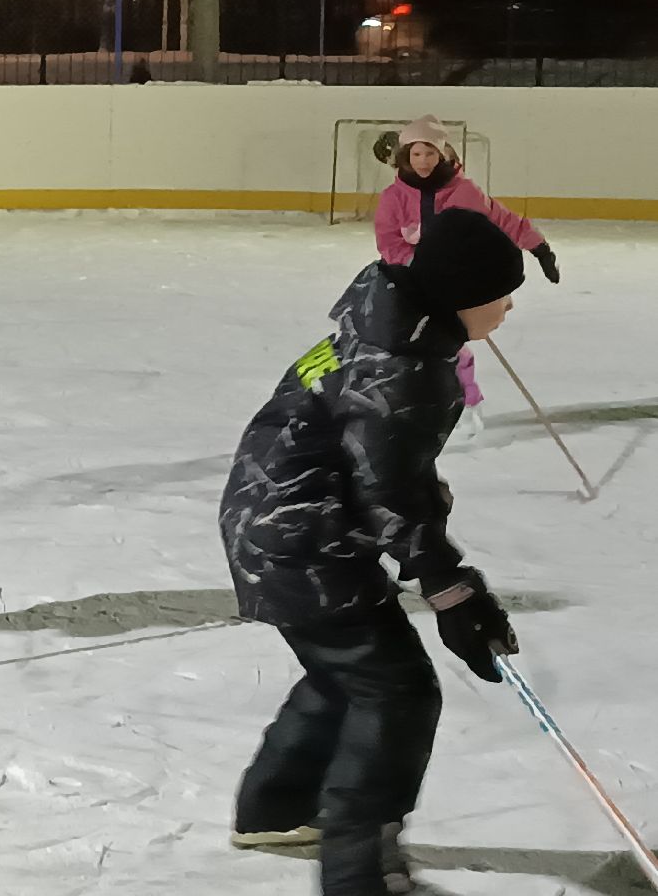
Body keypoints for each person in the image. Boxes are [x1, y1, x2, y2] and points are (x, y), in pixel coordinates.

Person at [221, 208, 527, 896]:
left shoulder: (380, 327)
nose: (507, 308)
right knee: (395, 689)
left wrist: (447, 579)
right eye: (499, 293)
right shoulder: (404, 367)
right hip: (302, 541)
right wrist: (451, 591)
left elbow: (384, 471)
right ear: (459, 292)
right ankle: (361, 872)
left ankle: (274, 808)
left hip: (270, 524)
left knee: (345, 675)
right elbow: (389, 492)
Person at [374, 115, 559, 434]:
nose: (423, 161)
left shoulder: (463, 191)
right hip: (409, 283)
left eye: (430, 153)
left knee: (453, 347)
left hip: (455, 284)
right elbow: (388, 240)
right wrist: (418, 262)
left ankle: (469, 402)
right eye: (416, 154)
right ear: (406, 156)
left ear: (443, 153)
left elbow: (504, 221)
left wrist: (539, 247)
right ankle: (406, 406)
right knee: (403, 347)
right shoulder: (395, 197)